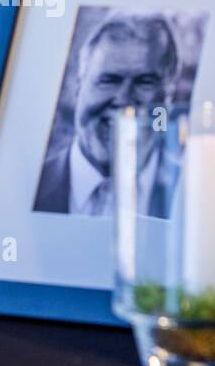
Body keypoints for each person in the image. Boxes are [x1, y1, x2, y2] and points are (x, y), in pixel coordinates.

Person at [33, 11, 178, 218]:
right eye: (109, 80)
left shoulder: (196, 193)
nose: (123, 100)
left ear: (168, 99)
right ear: (78, 88)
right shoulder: (24, 185)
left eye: (145, 82)